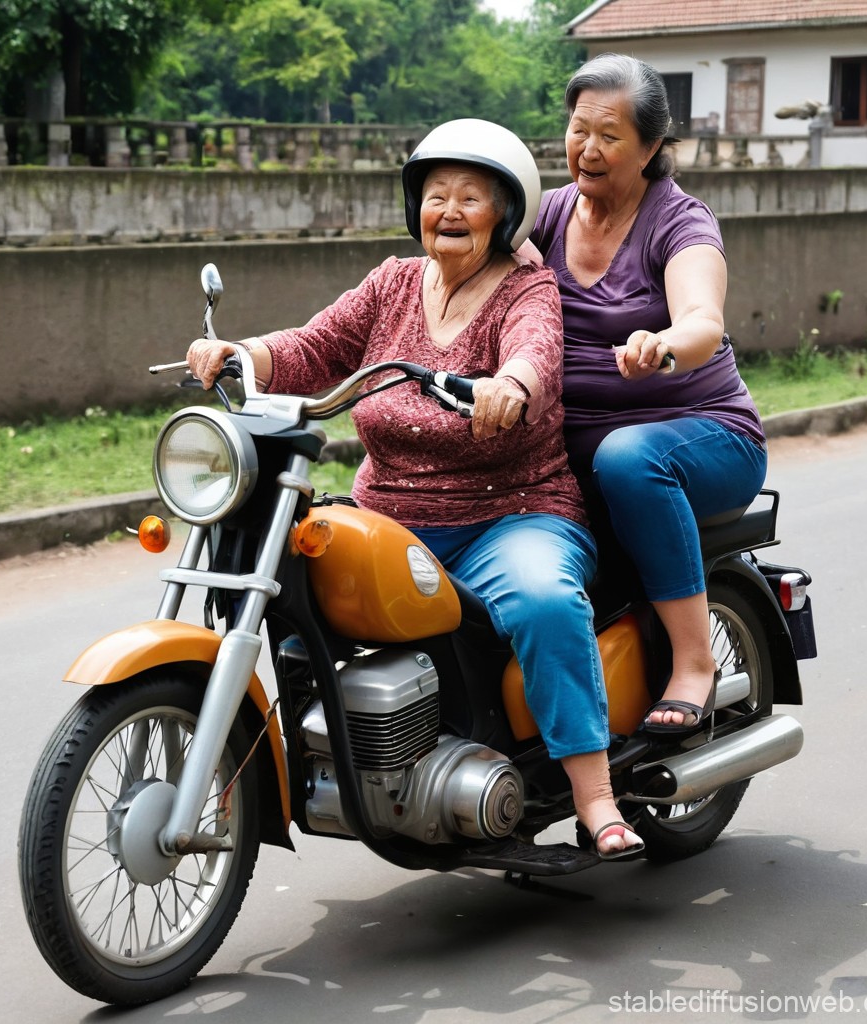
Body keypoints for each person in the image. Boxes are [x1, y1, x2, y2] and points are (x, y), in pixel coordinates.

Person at [187, 118, 644, 859]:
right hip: (391, 513)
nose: (451, 211)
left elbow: (536, 352)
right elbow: (316, 346)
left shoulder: (528, 289)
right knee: (291, 581)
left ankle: (594, 795)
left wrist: (510, 385)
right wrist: (242, 353)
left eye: (471, 196)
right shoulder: (392, 283)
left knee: (545, 600)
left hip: (511, 513)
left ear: (506, 213)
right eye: (437, 195)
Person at [527, 53, 768, 734]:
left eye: (610, 136)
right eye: (579, 130)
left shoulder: (678, 222)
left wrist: (663, 343)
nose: (588, 149)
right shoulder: (546, 217)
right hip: (574, 446)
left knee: (629, 457)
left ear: (652, 146)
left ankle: (694, 661)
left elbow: (701, 319)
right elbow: (469, 273)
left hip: (701, 436)